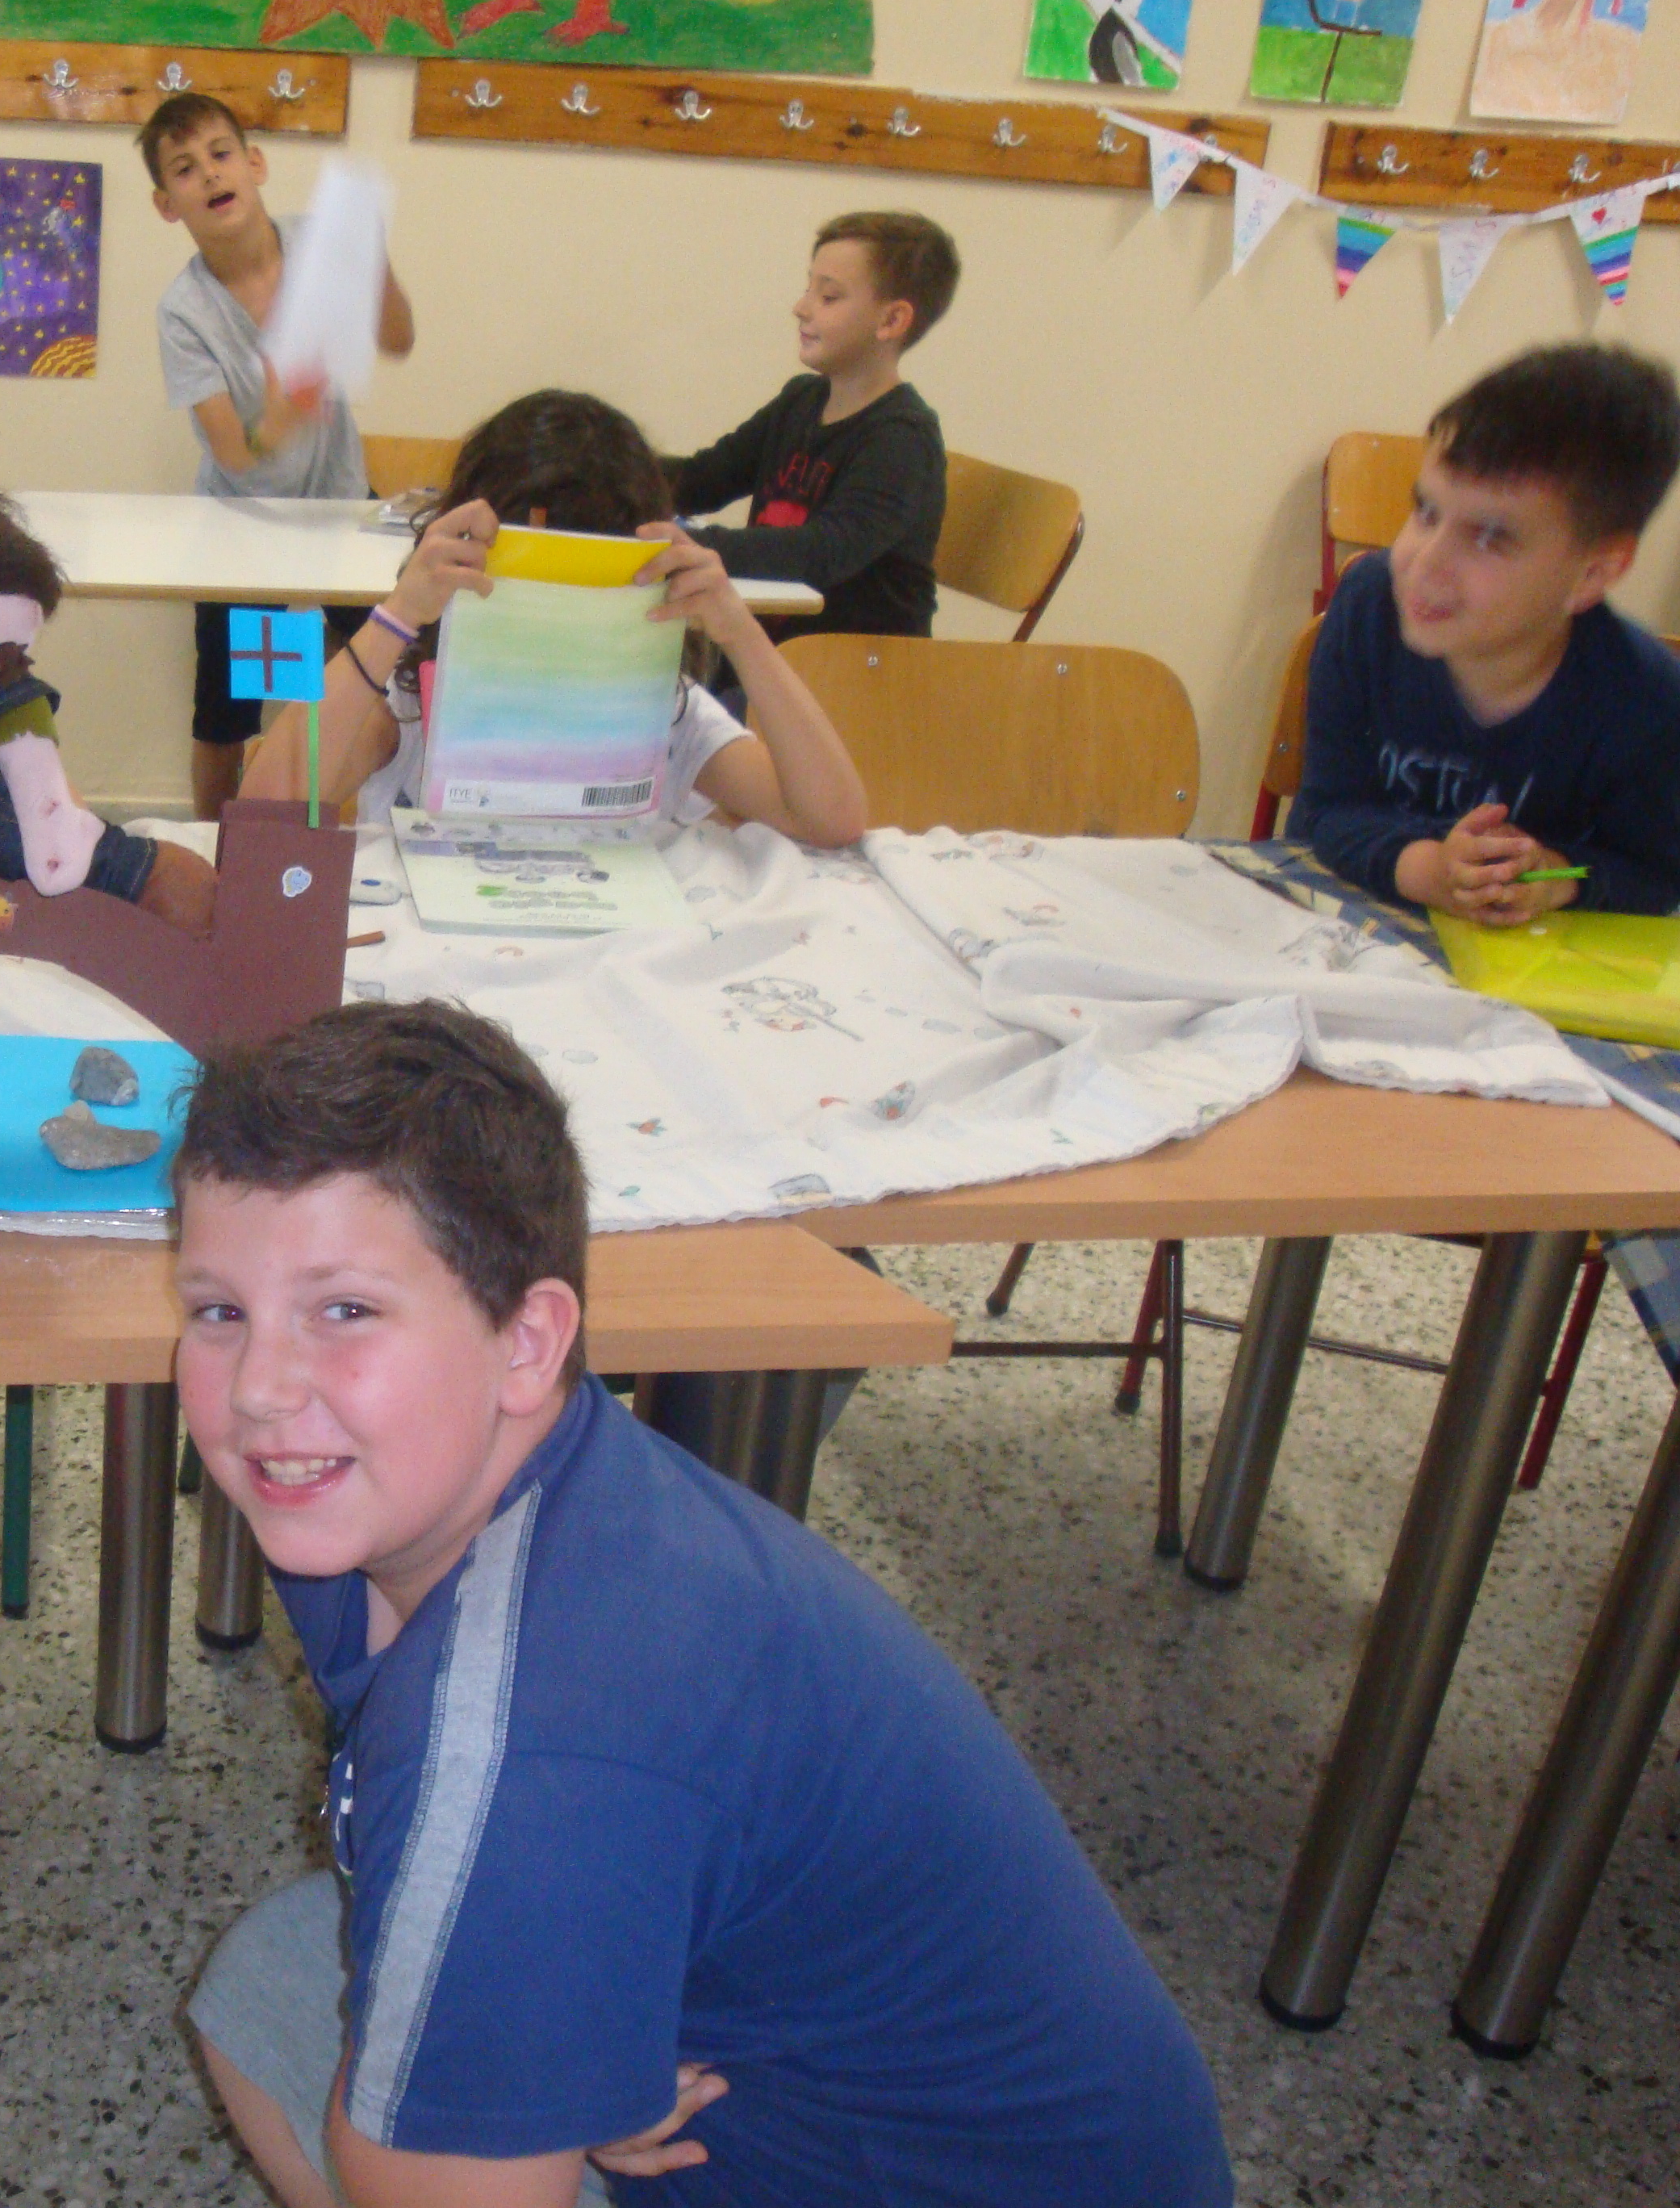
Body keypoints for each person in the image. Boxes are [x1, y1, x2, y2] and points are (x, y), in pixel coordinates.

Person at [173, 1001, 1235, 2208]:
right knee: (271, 1975)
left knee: (307, 2026)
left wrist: (512, 2098)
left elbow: (510, 1813)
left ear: (527, 1342)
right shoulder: (421, 1493)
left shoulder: (530, 1741)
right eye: (219, 1311)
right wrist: (566, 2073)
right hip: (901, 2107)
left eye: (346, 1311)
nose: (259, 1389)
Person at [239, 388, 868, 849]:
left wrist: (742, 634)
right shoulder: (410, 701)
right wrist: (398, 615)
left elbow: (831, 819)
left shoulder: (663, 712)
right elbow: (265, 812)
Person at [1291, 341, 1680, 925]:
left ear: (1594, 573)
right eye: (1426, 511)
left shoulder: (1648, 699)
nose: (1426, 563)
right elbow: (1326, 812)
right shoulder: (1370, 606)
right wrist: (1433, 872)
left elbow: (1655, 878)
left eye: (1490, 538)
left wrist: (1554, 877)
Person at [140, 89, 414, 822]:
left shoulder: (318, 246)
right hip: (242, 525)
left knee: (399, 674)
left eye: (221, 154)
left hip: (341, 508)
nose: (210, 174)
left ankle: (390, 823)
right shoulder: (183, 311)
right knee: (228, 712)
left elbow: (398, 339)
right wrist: (280, 417)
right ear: (167, 204)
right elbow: (235, 453)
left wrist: (375, 261)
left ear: (254, 163)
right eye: (185, 169)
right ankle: (215, 847)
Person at [673, 211, 958, 649]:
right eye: (809, 288)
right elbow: (703, 479)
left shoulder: (902, 440)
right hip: (774, 660)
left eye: (829, 296)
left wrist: (686, 546)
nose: (801, 307)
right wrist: (606, 477)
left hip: (850, 672)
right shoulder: (801, 401)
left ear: (891, 321)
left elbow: (821, 552)